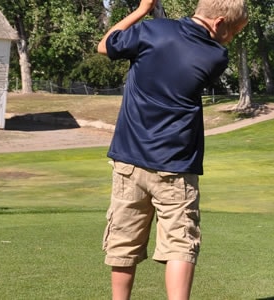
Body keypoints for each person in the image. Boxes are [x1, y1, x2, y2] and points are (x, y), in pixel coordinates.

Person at [97, 0, 246, 299]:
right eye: (232, 32)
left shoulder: (152, 30)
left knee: (124, 242)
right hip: (177, 166)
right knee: (180, 244)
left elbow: (105, 46)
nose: (230, 39)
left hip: (130, 159)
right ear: (218, 24)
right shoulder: (216, 55)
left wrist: (142, 11)